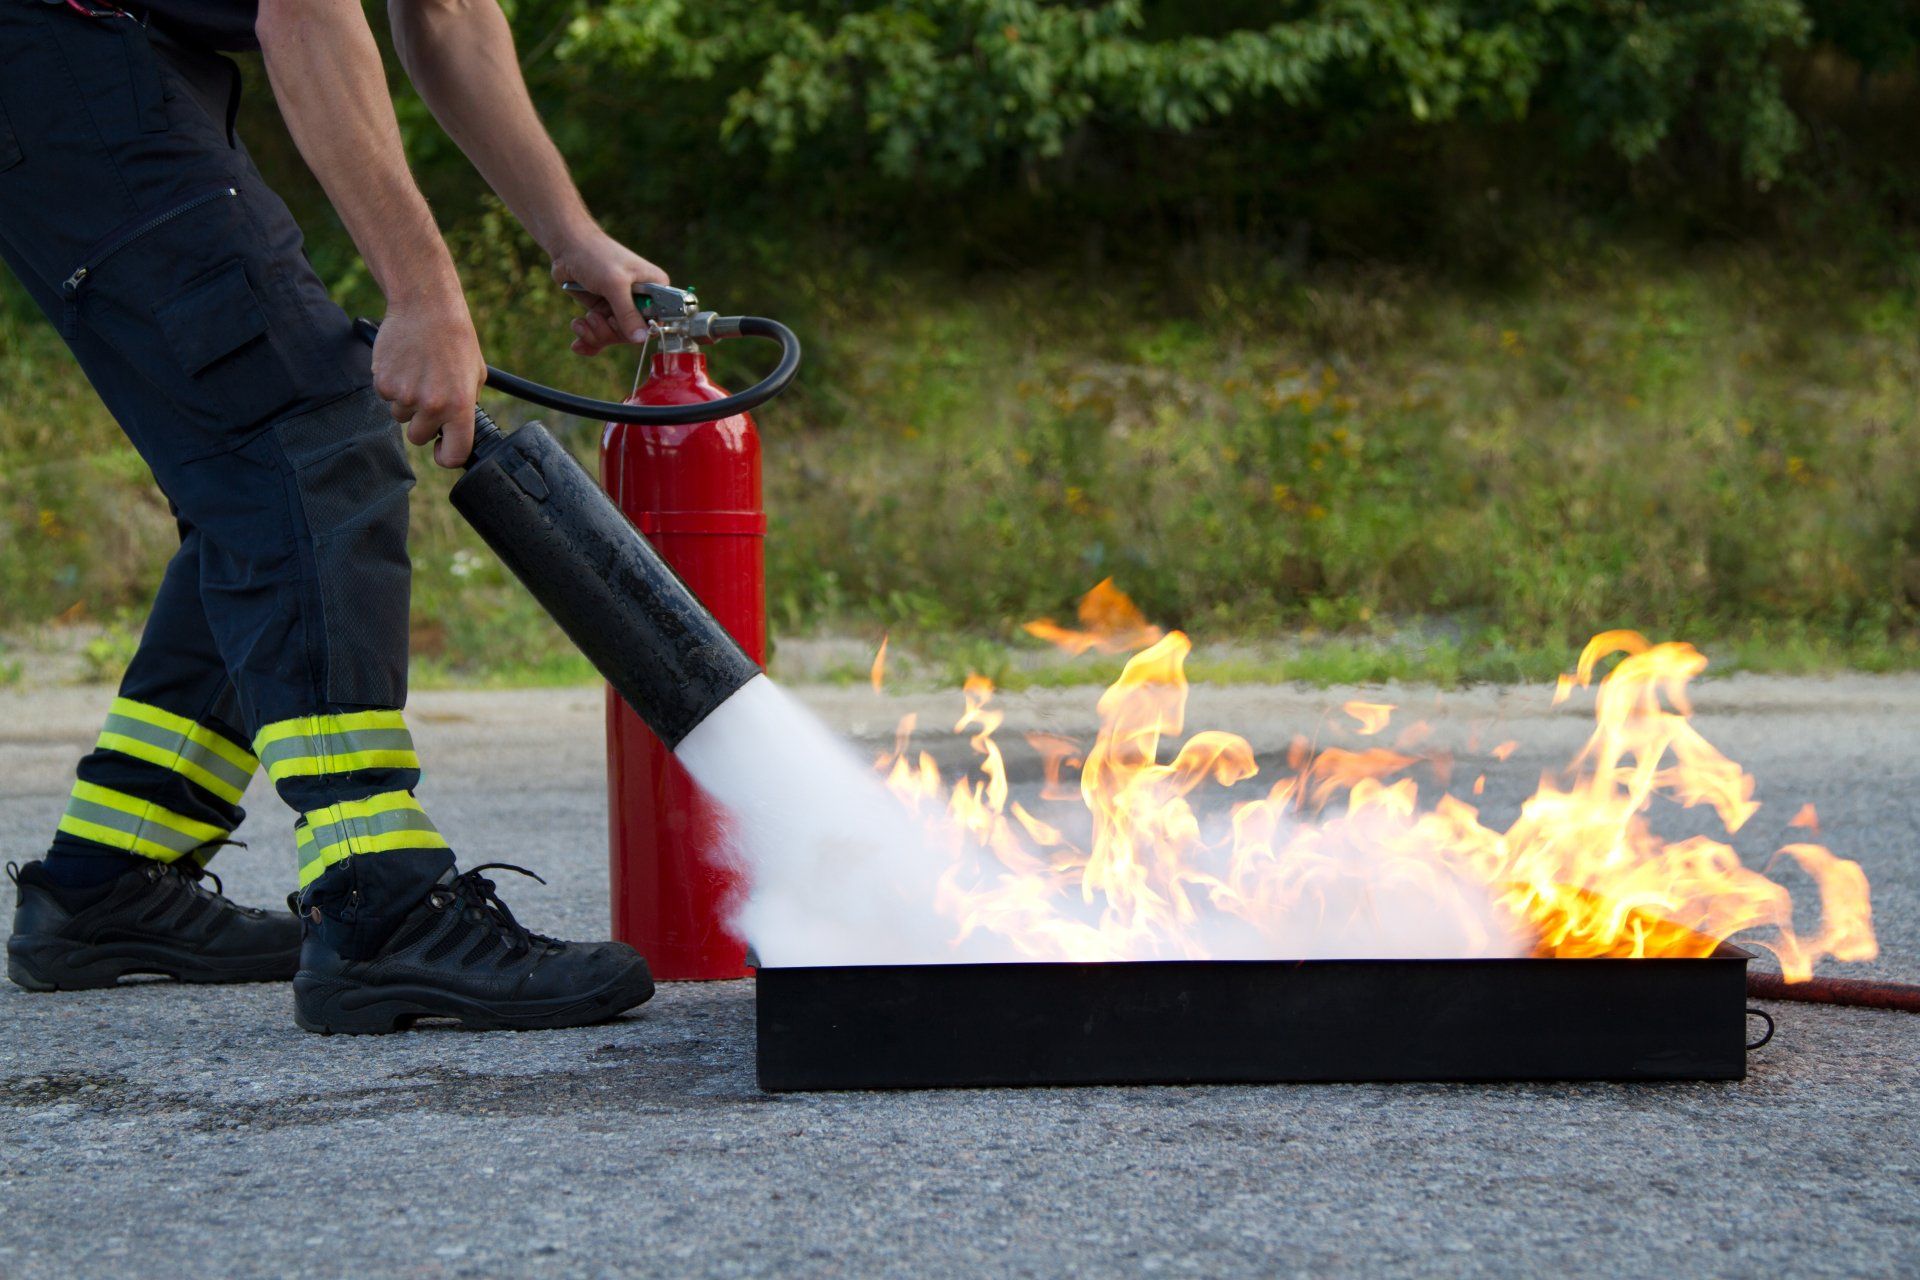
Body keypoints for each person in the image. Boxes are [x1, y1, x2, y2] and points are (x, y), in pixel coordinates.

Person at [1, 0, 660, 1032]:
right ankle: (382, 907)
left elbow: (445, 12)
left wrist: (568, 231)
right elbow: (305, 13)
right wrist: (425, 295)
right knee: (306, 435)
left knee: (258, 473)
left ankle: (108, 877)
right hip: (57, 53)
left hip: (115, 61)